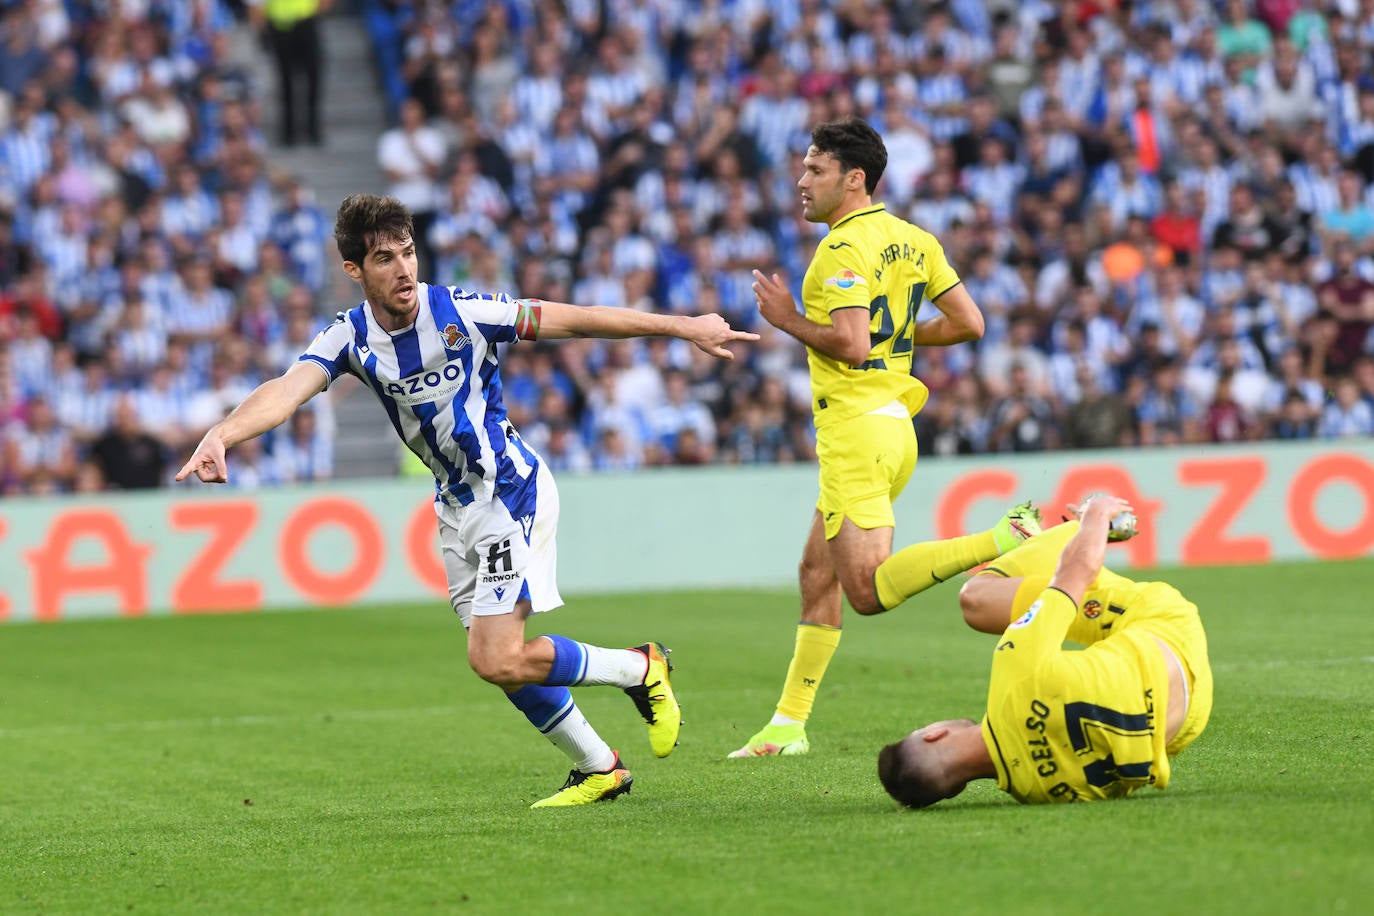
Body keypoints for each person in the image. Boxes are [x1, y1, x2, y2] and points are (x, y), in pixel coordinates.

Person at [177, 194, 759, 807]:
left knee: (495, 654)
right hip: (455, 510)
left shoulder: (462, 309)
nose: (403, 269)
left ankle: (640, 667)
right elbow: (287, 390)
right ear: (355, 270)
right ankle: (599, 768)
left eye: (408, 252)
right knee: (502, 660)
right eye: (384, 259)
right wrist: (223, 433)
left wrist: (682, 326)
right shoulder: (349, 336)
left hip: (511, 492)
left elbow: (578, 317)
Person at [733, 117, 1041, 759]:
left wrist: (788, 318)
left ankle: (1001, 537)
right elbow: (969, 323)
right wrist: (894, 339)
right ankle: (788, 725)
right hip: (894, 426)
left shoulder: (841, 249)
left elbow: (848, 343)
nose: (801, 181)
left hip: (854, 432)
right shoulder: (913, 239)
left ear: (853, 179)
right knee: (817, 573)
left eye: (814, 169)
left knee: (866, 591)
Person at [877, 495, 1213, 806]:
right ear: (934, 734)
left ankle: (1076, 536)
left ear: (956, 789)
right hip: (1170, 628)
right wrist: (1096, 515)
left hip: (1189, 718)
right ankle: (1068, 528)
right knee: (977, 599)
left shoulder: (1038, 793)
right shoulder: (1014, 673)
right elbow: (1079, 572)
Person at [250, 0, 331, 147]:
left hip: (306, 19)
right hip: (280, 24)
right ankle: (289, 132)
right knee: (286, 80)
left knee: (313, 76)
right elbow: (256, 5)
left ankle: (313, 127)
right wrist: (261, 29)